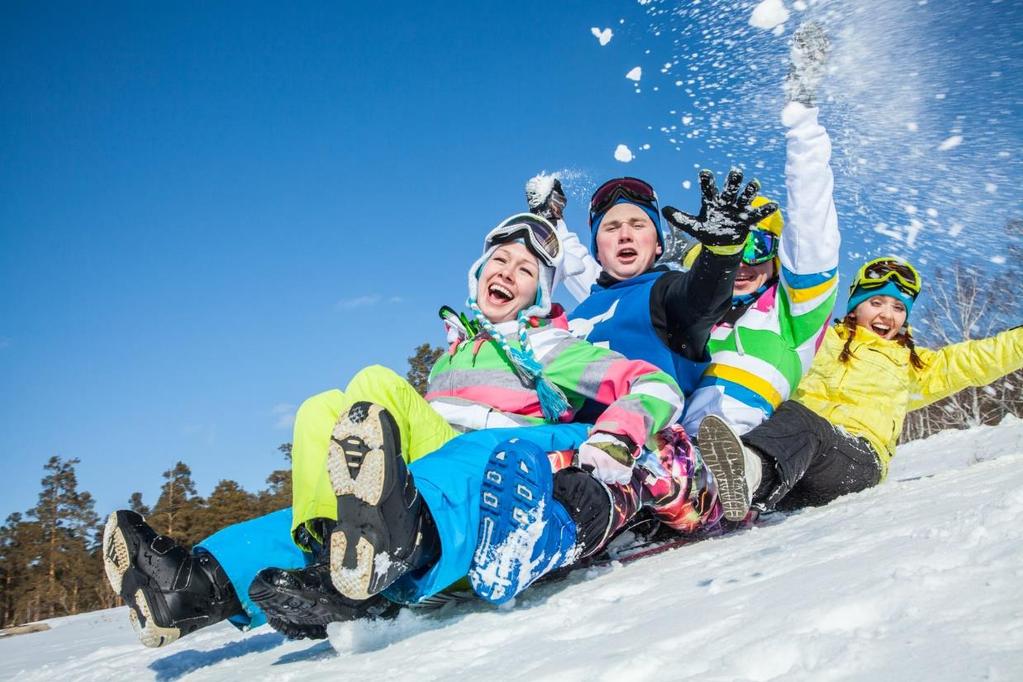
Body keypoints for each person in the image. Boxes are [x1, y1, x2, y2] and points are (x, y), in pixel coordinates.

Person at [102, 213, 730, 644]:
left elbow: (654, 386)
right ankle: (190, 588)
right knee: (321, 412)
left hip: (508, 452)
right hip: (442, 452)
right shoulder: (455, 356)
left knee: (379, 389)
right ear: (476, 274)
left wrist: (614, 437)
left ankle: (381, 557)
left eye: (525, 268)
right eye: (498, 260)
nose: (506, 271)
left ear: (543, 293)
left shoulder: (552, 344)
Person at [528, 22, 839, 521]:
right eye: (729, 251)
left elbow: (812, 225)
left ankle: (737, 476)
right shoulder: (675, 299)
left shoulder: (792, 312)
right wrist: (554, 224)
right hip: (668, 446)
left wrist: (803, 120)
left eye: (754, 245)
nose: (740, 263)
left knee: (801, 424)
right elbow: (603, 286)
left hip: (757, 452)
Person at [698, 256, 1023, 514]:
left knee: (806, 423)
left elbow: (978, 358)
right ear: (856, 304)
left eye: (898, 308)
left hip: (856, 463)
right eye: (877, 302)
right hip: (793, 460)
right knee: (775, 419)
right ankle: (694, 496)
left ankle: (747, 474)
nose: (888, 314)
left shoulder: (913, 364)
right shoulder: (821, 341)